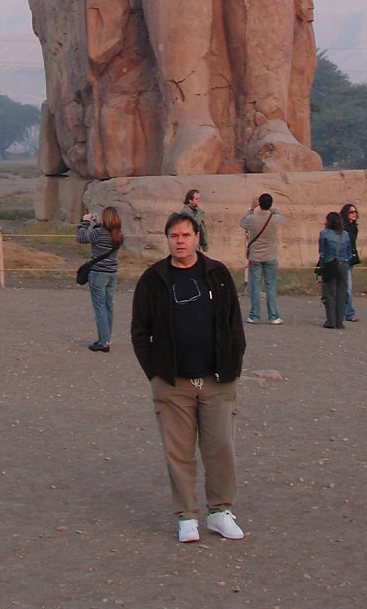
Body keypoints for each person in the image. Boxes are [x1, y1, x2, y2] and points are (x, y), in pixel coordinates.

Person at [131, 212, 246, 543]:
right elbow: (140, 331)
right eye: (174, 236)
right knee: (178, 451)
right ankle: (186, 516)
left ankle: (220, 511)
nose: (180, 241)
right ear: (167, 240)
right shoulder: (154, 279)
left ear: (198, 237)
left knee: (220, 446)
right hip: (172, 381)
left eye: (185, 235)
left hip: (217, 378)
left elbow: (234, 323)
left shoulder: (218, 274)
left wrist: (234, 361)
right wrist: (154, 372)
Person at [77, 206, 123, 353]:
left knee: (100, 308)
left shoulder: (99, 233)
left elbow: (81, 237)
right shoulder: (119, 235)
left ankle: (103, 343)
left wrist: (85, 222)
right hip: (112, 274)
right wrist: (97, 224)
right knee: (108, 306)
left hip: (98, 274)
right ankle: (106, 338)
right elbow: (103, 236)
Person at [240, 193, 284, 324]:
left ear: (259, 204)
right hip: (271, 256)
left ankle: (254, 315)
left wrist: (252, 207)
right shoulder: (275, 219)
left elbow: (243, 222)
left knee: (255, 286)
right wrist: (270, 208)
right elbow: (280, 215)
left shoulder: (252, 218)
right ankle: (273, 316)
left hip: (256, 257)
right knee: (271, 286)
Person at [316, 211, 352, 329]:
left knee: (329, 292)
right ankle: (340, 321)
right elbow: (349, 252)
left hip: (329, 263)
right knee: (342, 293)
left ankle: (331, 320)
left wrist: (321, 267)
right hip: (343, 264)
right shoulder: (345, 234)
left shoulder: (324, 234)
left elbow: (322, 252)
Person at [339, 203, 361, 322]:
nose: (354, 214)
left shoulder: (354, 228)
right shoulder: (343, 228)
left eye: (355, 212)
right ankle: (349, 313)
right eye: (351, 212)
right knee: (347, 287)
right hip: (344, 259)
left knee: (344, 286)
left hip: (351, 259)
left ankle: (341, 310)